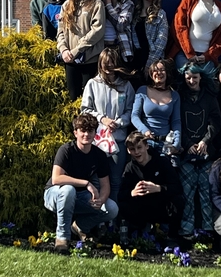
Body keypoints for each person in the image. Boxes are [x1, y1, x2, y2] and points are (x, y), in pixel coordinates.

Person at [43, 113, 119, 252]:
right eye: (82, 131)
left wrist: (101, 200)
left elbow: (105, 185)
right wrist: (86, 183)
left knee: (112, 208)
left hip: (79, 197)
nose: (86, 134)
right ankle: (62, 238)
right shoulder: (66, 150)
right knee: (68, 190)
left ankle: (80, 226)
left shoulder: (99, 155)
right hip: (54, 194)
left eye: (90, 131)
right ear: (75, 133)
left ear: (95, 133)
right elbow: (56, 179)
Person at [81, 48, 135, 203]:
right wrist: (102, 119)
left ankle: (113, 214)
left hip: (118, 140)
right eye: (106, 63)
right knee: (96, 181)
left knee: (116, 180)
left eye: (112, 62)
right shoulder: (93, 84)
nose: (109, 65)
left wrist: (118, 123)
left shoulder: (126, 85)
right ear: (100, 64)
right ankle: (98, 212)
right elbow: (85, 109)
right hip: (97, 142)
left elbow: (131, 110)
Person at [177, 62, 221, 236]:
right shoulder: (179, 97)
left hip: (206, 153)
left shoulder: (210, 97)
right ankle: (186, 229)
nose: (191, 81)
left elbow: (215, 121)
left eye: (194, 77)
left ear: (201, 77)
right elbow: (177, 122)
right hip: (186, 153)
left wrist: (205, 141)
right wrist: (188, 144)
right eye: (188, 77)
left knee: (206, 191)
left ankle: (208, 230)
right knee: (187, 193)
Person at [118, 131, 185, 236]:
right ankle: (138, 234)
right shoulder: (129, 168)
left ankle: (172, 235)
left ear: (147, 146)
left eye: (139, 147)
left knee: (178, 200)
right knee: (123, 205)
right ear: (128, 151)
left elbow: (177, 188)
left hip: (161, 204)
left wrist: (158, 188)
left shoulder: (162, 162)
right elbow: (121, 194)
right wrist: (132, 192)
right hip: (142, 205)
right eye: (132, 149)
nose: (136, 152)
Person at [56, 0, 105, 99]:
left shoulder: (97, 4)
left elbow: (98, 30)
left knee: (88, 99)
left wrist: (77, 50)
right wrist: (64, 50)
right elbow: (60, 31)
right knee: (73, 99)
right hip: (70, 60)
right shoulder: (67, 5)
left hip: (89, 60)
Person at [131, 58, 182, 161]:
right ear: (151, 74)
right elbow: (134, 116)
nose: (159, 73)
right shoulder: (142, 90)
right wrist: (145, 131)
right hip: (146, 142)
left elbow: (176, 121)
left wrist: (177, 143)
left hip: (166, 143)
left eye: (162, 70)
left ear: (167, 73)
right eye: (155, 70)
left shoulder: (174, 95)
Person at [136, 0, 168, 73]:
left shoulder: (160, 14)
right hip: (135, 59)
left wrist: (150, 65)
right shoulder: (133, 11)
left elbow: (161, 42)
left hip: (152, 61)